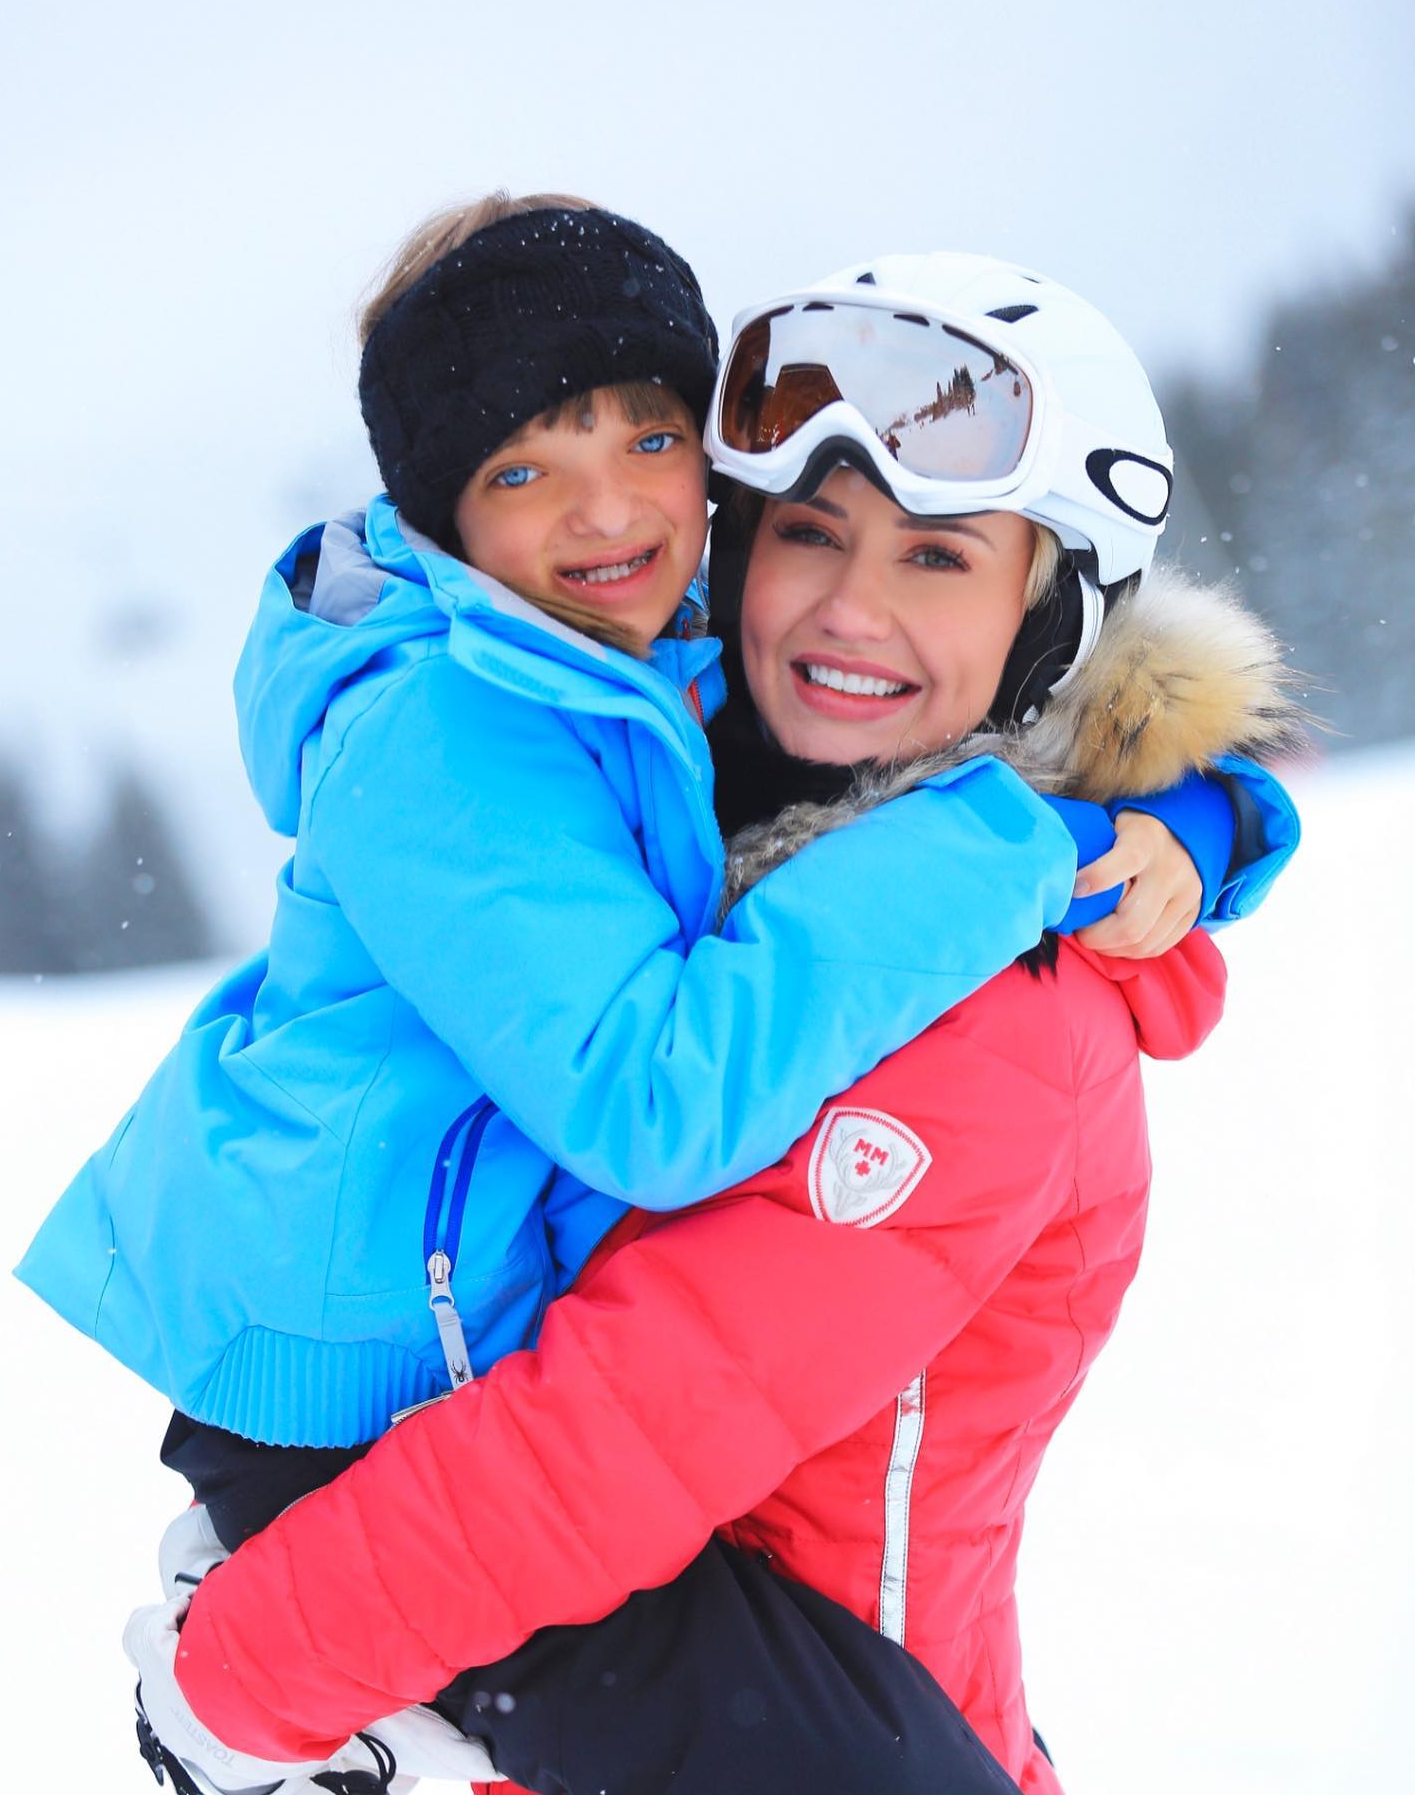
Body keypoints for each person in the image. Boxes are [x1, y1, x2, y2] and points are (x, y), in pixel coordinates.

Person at [123, 251, 1301, 1795]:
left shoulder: (991, 1014)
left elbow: (633, 1425)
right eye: (807, 534)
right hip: (616, 1674)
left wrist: (251, 1674)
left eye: (937, 561)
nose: (847, 610)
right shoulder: (669, 792)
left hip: (780, 1698)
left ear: (1052, 617)